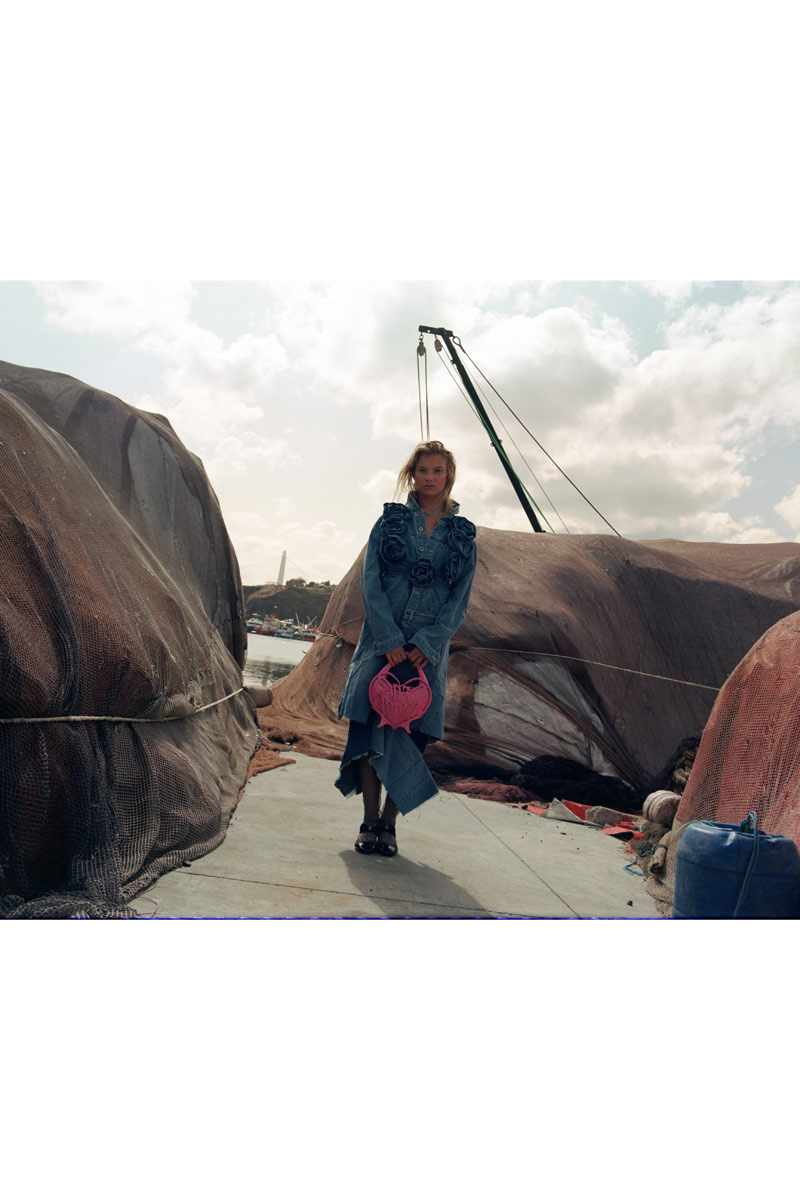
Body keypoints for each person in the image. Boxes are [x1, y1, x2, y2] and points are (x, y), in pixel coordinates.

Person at [335, 439, 478, 856]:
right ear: (410, 475)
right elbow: (371, 581)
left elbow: (460, 599)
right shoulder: (389, 523)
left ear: (449, 475)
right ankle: (368, 820)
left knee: (412, 733)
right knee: (368, 730)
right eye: (422, 471)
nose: (430, 478)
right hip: (382, 642)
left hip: (426, 655)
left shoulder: (464, 535)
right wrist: (391, 639)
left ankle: (390, 826)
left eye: (438, 471)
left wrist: (426, 643)